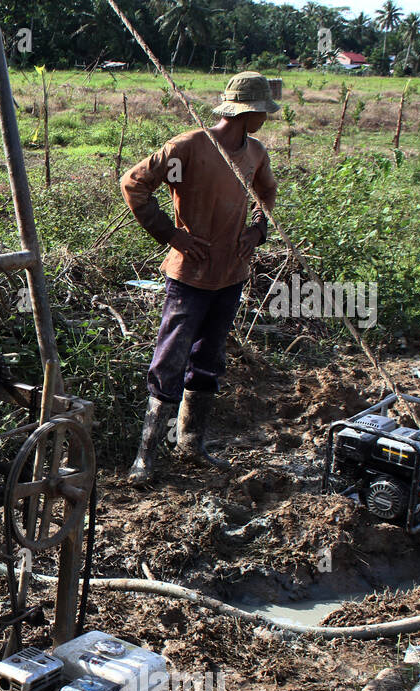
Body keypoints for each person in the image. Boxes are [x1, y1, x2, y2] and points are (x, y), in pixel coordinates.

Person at [120, 71, 279, 485]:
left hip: (230, 275)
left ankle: (191, 445)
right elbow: (134, 185)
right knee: (169, 361)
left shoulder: (256, 153)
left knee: (208, 359)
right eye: (264, 113)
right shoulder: (189, 148)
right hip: (189, 276)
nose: (266, 120)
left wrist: (257, 231)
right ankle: (146, 456)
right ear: (250, 113)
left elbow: (267, 196)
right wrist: (171, 235)